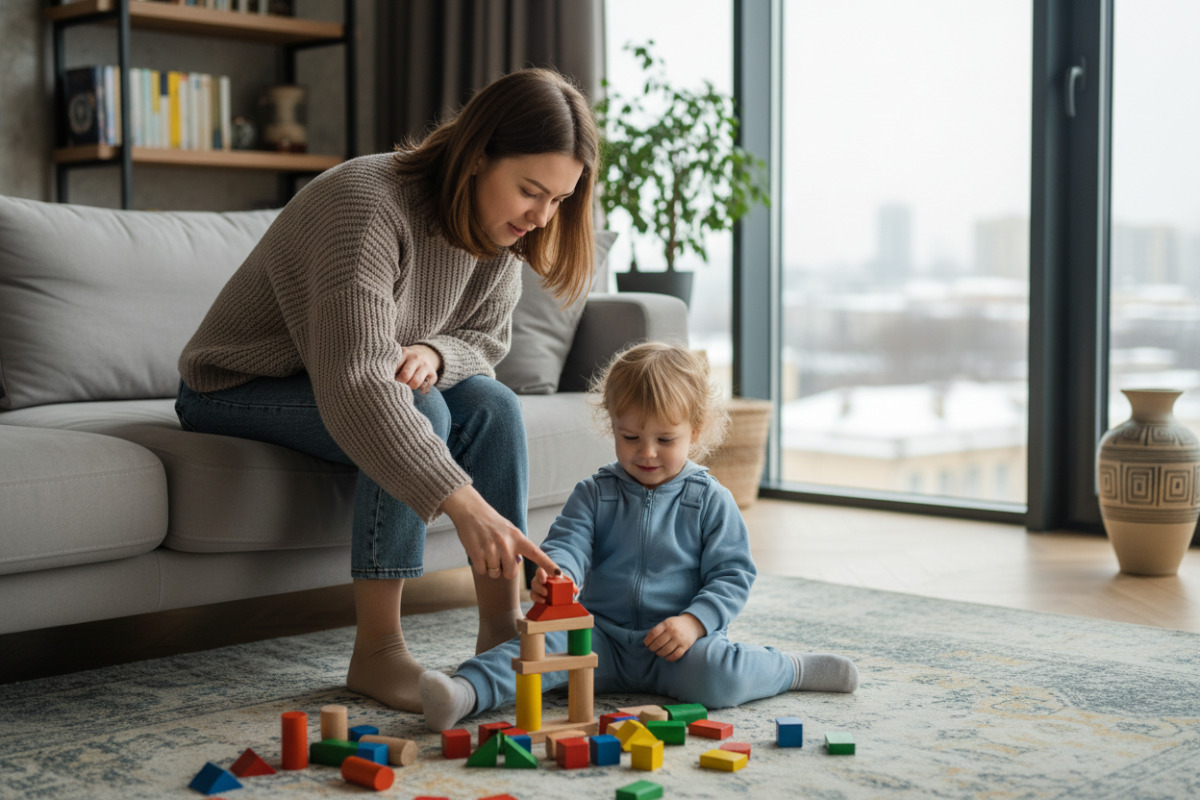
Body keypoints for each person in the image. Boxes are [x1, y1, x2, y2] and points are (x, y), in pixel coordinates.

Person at [174, 68, 599, 712]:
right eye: (531, 191)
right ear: (477, 156)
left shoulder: (500, 235)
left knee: (494, 405)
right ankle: (376, 651)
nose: (542, 217)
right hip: (237, 384)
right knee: (416, 407)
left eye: (560, 200)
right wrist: (461, 500)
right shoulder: (365, 204)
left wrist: (435, 349)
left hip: (347, 375)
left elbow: (485, 341)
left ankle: (498, 630)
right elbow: (361, 385)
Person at [419, 342, 859, 731]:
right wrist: (560, 575)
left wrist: (695, 622)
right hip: (599, 638)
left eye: (665, 439)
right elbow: (567, 542)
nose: (646, 453)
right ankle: (464, 693)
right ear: (613, 427)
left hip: (677, 646)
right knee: (535, 650)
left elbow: (733, 574)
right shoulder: (595, 492)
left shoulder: (710, 499)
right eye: (630, 437)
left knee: (720, 677)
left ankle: (793, 669)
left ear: (696, 431)